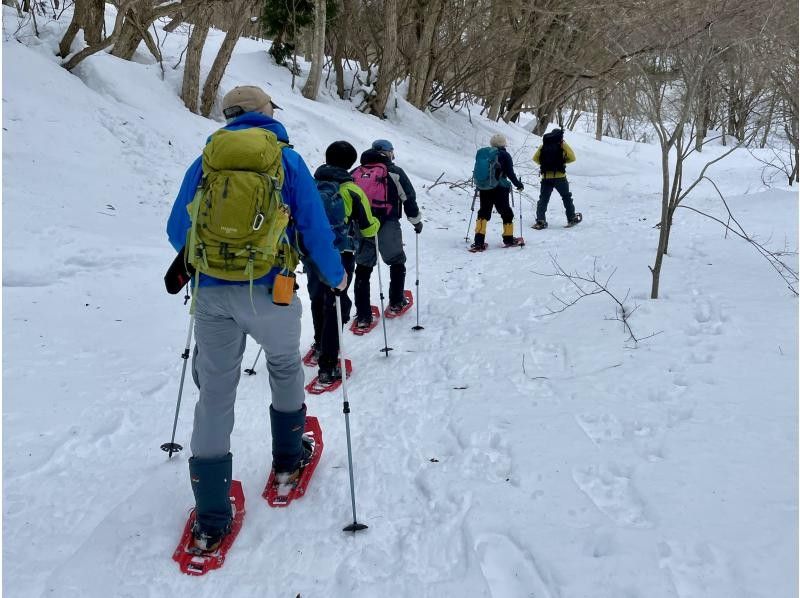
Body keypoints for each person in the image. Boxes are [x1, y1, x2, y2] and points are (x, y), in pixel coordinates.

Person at [166, 85, 346, 553]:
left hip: (210, 295)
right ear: (268, 114)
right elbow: (312, 226)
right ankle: (287, 461)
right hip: (271, 290)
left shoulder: (207, 159)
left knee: (216, 393)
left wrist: (214, 260)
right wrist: (334, 275)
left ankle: (210, 517)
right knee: (285, 366)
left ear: (229, 116)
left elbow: (175, 229)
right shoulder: (286, 160)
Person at [309, 141, 380, 384]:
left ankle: (319, 344)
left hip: (311, 252)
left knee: (317, 297)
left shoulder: (309, 184)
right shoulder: (352, 190)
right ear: (351, 163)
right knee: (336, 303)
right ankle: (327, 365)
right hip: (341, 253)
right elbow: (369, 228)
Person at [352, 139, 422, 328]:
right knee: (396, 260)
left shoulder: (356, 172)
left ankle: (363, 316)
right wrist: (416, 221)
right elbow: (408, 198)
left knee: (363, 267)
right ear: (387, 152)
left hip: (362, 225)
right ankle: (396, 302)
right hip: (387, 224)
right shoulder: (394, 172)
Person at [470, 133, 525, 250]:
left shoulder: (486, 154)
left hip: (485, 187)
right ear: (504, 143)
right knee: (506, 213)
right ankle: (508, 239)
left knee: (483, 213)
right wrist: (518, 185)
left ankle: (479, 242)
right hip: (500, 188)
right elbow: (510, 173)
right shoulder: (505, 155)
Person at [532, 128, 581, 228]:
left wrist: (546, 164)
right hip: (560, 177)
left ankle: (540, 221)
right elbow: (572, 158)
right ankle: (571, 218)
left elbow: (535, 158)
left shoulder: (543, 146)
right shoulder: (562, 146)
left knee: (543, 199)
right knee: (566, 197)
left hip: (546, 177)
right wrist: (562, 162)